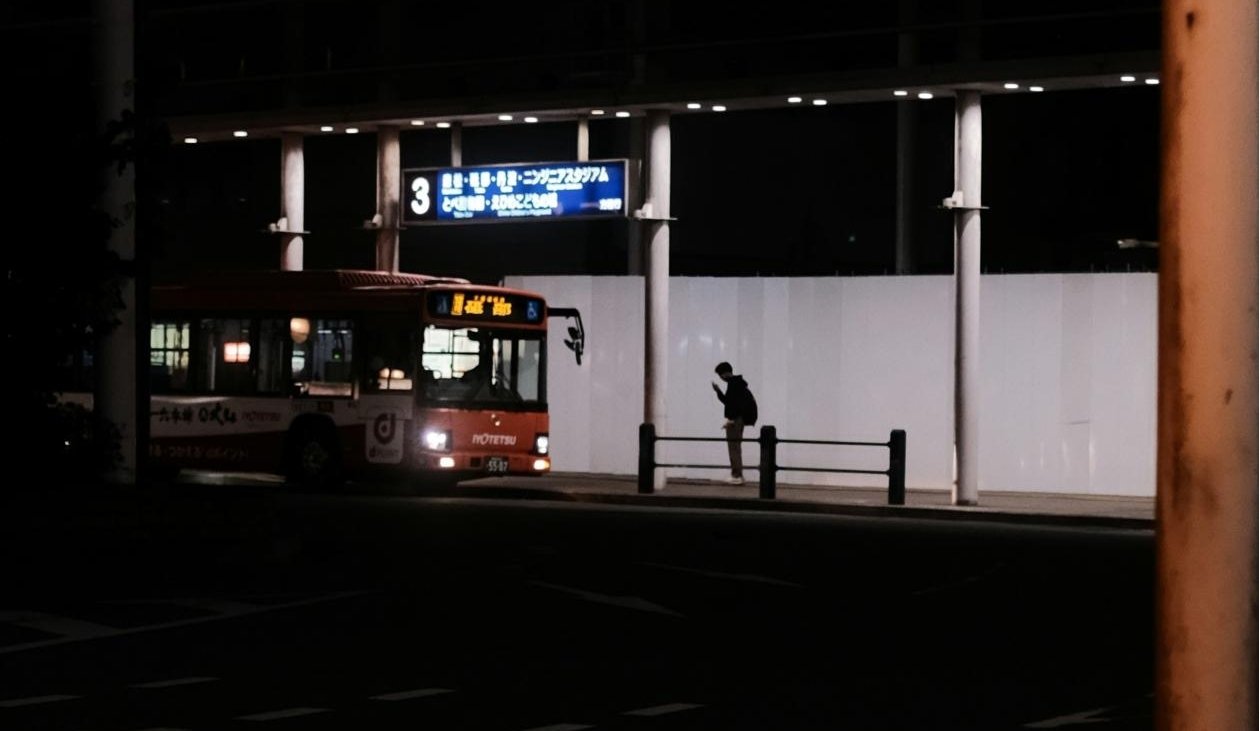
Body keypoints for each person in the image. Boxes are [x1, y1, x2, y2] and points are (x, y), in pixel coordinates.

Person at [711, 361, 758, 485]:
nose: (720, 378)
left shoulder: (733, 385)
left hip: (735, 420)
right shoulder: (737, 384)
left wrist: (731, 420)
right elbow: (730, 402)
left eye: (720, 375)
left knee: (734, 448)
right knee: (735, 447)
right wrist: (718, 391)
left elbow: (733, 405)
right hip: (738, 419)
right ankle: (737, 475)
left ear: (725, 373)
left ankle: (737, 475)